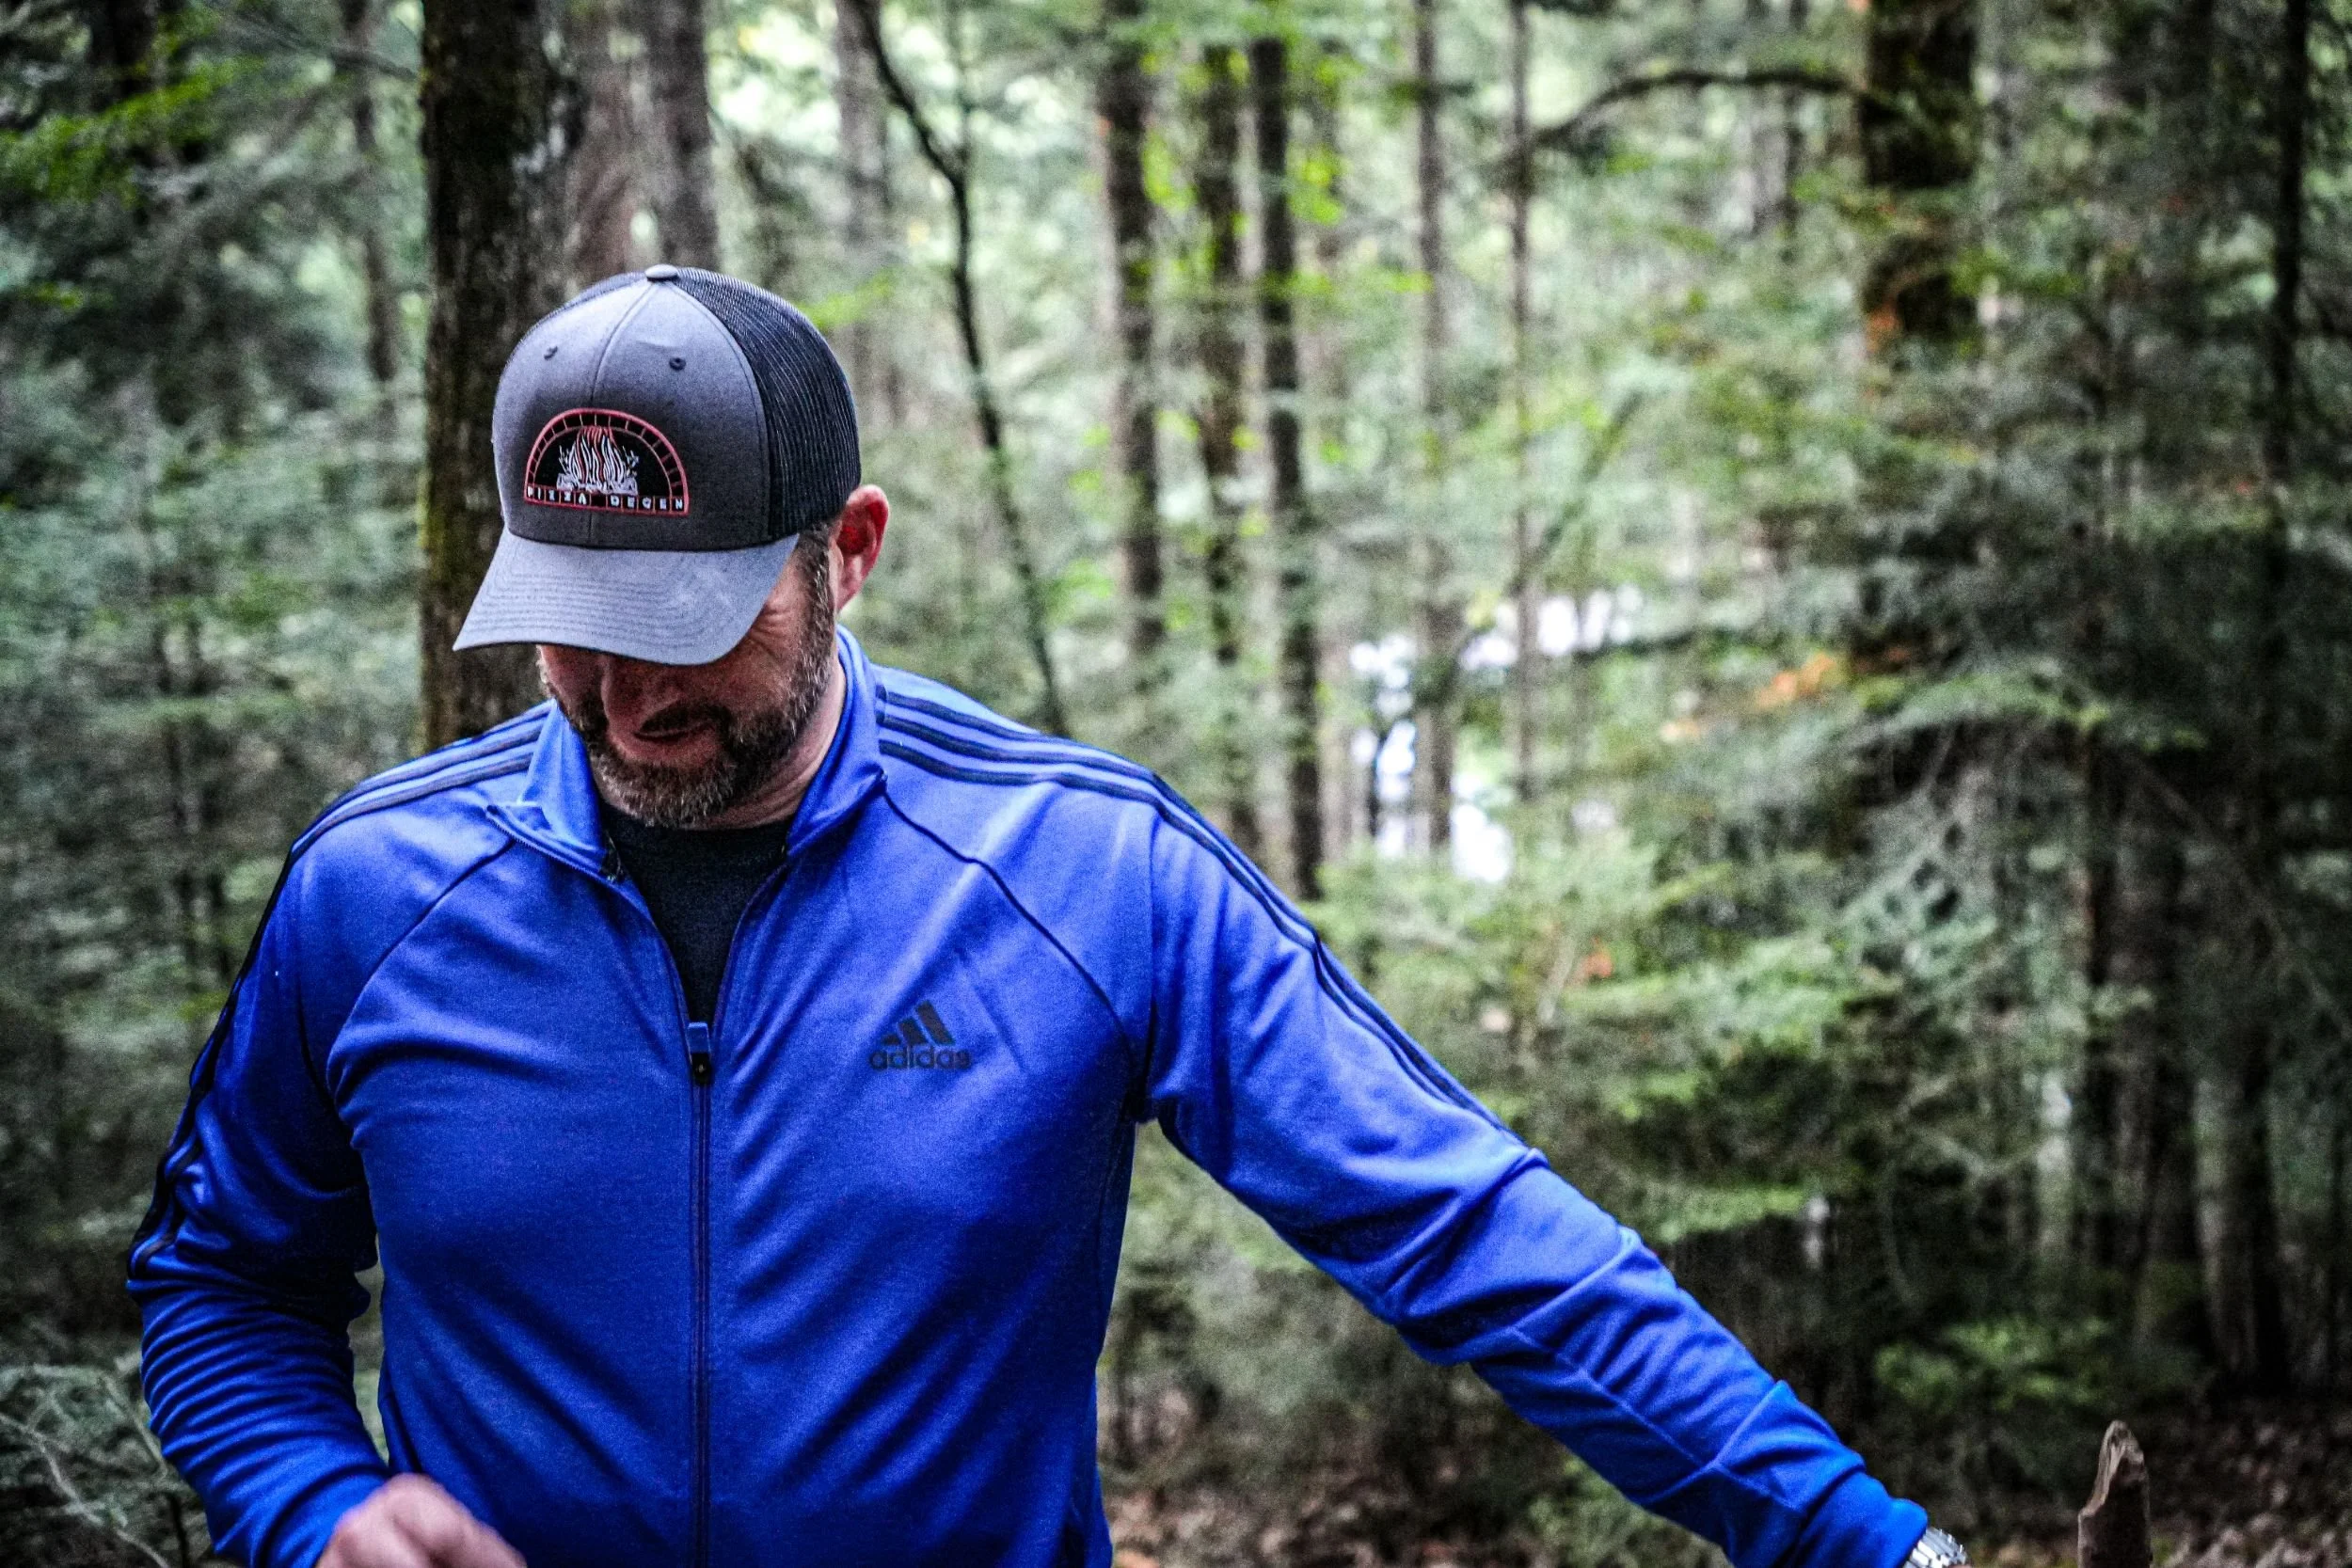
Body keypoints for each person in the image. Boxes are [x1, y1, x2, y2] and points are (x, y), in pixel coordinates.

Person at [131, 267, 1967, 1568]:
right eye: (572, 628)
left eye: (688, 627)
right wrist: (311, 1499)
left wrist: (1857, 1540)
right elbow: (221, 1277)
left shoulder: (1082, 869)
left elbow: (1468, 1226)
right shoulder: (375, 894)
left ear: (842, 552)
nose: (622, 696)